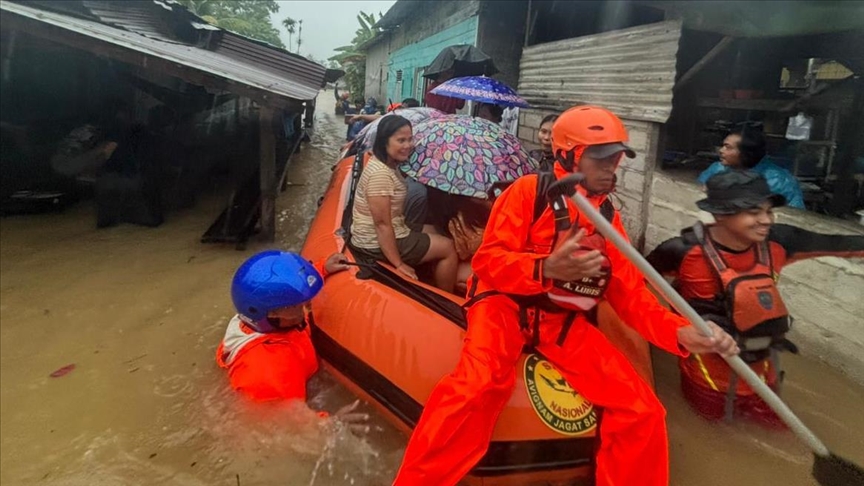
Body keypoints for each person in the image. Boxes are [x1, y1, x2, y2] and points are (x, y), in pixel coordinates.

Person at [391, 106, 739, 486]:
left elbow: (629, 295)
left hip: (558, 318)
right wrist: (545, 268)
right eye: (602, 158)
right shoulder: (528, 193)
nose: (613, 167)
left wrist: (680, 334)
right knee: (475, 386)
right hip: (502, 306)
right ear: (569, 154)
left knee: (642, 409)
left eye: (617, 158)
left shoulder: (607, 217)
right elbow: (489, 263)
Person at [647, 170, 864, 426]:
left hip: (763, 374)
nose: (766, 220)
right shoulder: (680, 251)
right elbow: (636, 287)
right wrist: (673, 328)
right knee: (713, 435)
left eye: (768, 211)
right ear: (720, 214)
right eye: (753, 212)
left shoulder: (781, 241)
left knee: (778, 430)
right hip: (708, 378)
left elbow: (842, 243)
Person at [217, 251, 348, 403]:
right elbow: (287, 418)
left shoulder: (263, 314)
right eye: (296, 304)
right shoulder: (270, 369)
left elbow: (287, 290)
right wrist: (330, 424)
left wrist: (322, 268)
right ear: (272, 313)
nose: (306, 304)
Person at [348, 115, 458, 293]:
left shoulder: (389, 164)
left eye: (410, 139)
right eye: (401, 140)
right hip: (373, 242)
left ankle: (433, 272)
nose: (408, 145)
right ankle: (447, 297)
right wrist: (399, 264)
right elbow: (382, 224)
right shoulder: (380, 175)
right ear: (384, 141)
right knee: (448, 247)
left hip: (397, 226)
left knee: (439, 229)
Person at [698, 127, 805, 209]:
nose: (721, 150)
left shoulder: (780, 181)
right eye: (723, 146)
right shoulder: (717, 169)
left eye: (728, 147)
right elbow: (698, 195)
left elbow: (797, 216)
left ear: (745, 153)